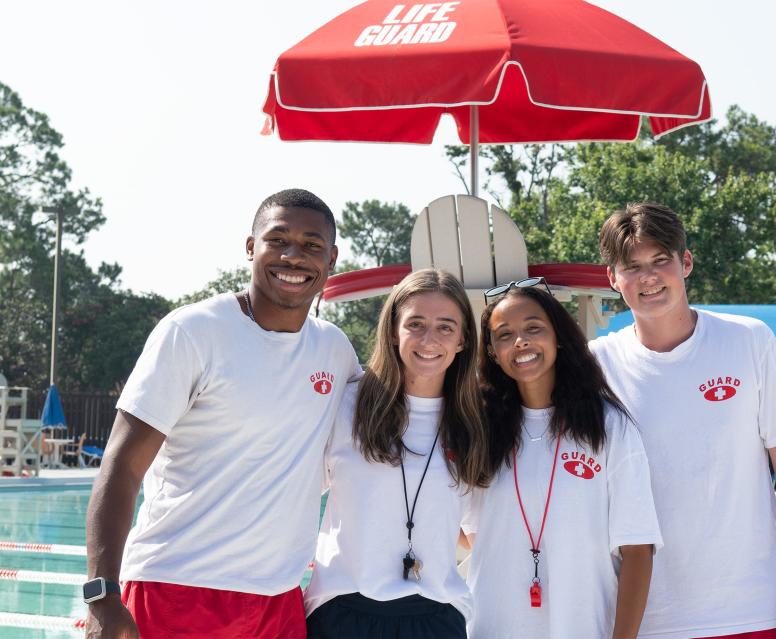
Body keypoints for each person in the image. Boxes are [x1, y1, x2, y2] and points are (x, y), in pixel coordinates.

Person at [84, 188, 360, 639]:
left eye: (312, 246)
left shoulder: (334, 349)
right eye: (278, 240)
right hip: (175, 589)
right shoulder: (192, 332)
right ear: (251, 247)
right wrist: (101, 595)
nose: (294, 256)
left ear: (331, 259)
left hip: (280, 599)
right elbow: (121, 466)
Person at [590, 202, 776, 639]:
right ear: (612, 278)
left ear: (686, 262)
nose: (648, 277)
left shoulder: (748, 341)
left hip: (753, 609)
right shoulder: (597, 366)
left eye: (661, 261)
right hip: (644, 619)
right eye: (632, 266)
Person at [465, 281, 662, 639]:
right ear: (492, 352)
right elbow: (464, 534)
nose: (520, 341)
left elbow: (637, 551)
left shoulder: (607, 426)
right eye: (504, 335)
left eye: (533, 328)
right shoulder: (480, 431)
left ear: (558, 335)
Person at [302, 268, 488, 639]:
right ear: (392, 331)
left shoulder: (474, 422)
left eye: (445, 327)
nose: (429, 338)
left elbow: (474, 532)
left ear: (464, 340)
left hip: (436, 616)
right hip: (343, 611)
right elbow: (293, 496)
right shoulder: (346, 403)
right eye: (415, 323)